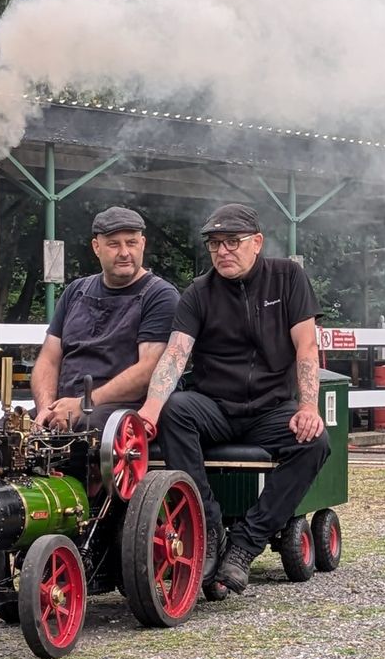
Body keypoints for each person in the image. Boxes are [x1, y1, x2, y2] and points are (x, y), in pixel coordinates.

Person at [137, 203, 330, 595]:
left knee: (315, 442)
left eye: (232, 242)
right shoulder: (198, 292)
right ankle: (207, 528)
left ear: (256, 242)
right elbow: (175, 354)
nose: (223, 251)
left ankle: (244, 545)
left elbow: (306, 347)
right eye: (215, 244)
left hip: (272, 408)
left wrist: (308, 407)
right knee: (176, 411)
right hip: (215, 407)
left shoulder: (288, 277)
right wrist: (149, 411)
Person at [31, 207, 180, 431]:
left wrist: (84, 404)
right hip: (63, 407)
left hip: (120, 409)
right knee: (0, 434)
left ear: (142, 243)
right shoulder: (75, 291)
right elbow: (48, 359)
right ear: (96, 247)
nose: (124, 252)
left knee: (86, 434)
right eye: (113, 244)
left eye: (131, 243)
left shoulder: (160, 296)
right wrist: (45, 411)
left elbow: (148, 370)